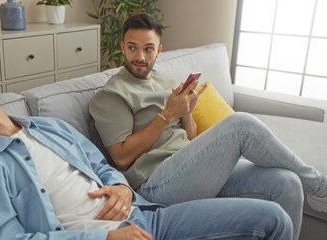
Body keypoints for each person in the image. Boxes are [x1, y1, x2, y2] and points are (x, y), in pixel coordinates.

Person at [0, 72, 293, 240]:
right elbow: (8, 239)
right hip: (106, 237)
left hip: (149, 215)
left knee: (273, 217)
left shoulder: (48, 127)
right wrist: (105, 238)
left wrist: (122, 188)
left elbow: (102, 164)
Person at [89, 13, 327, 240]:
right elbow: (121, 157)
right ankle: (318, 185)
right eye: (132, 47)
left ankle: (309, 186)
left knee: (288, 183)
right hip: (155, 184)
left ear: (159, 50)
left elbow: (189, 138)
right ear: (122, 47)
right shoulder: (112, 94)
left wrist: (187, 112)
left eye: (148, 49)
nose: (140, 56)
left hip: (192, 170)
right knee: (240, 124)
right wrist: (168, 113)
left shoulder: (167, 84)